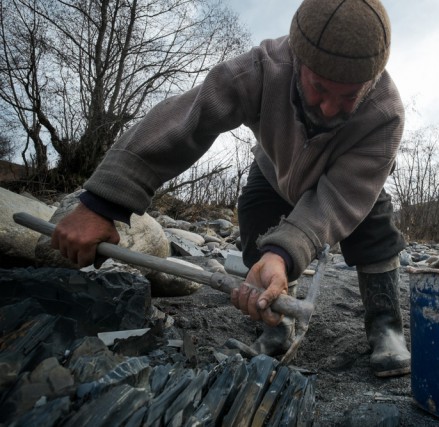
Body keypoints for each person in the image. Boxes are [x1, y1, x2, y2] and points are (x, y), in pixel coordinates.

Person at [51, 0, 410, 377]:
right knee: (256, 224)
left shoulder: (384, 114)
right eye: (319, 88)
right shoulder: (263, 68)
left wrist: (287, 254)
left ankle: (386, 327)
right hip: (273, 172)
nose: (330, 107)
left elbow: (337, 199)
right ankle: (276, 323)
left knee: (376, 234)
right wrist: (101, 203)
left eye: (348, 97)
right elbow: (187, 121)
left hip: (348, 187)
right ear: (298, 59)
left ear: (369, 82)